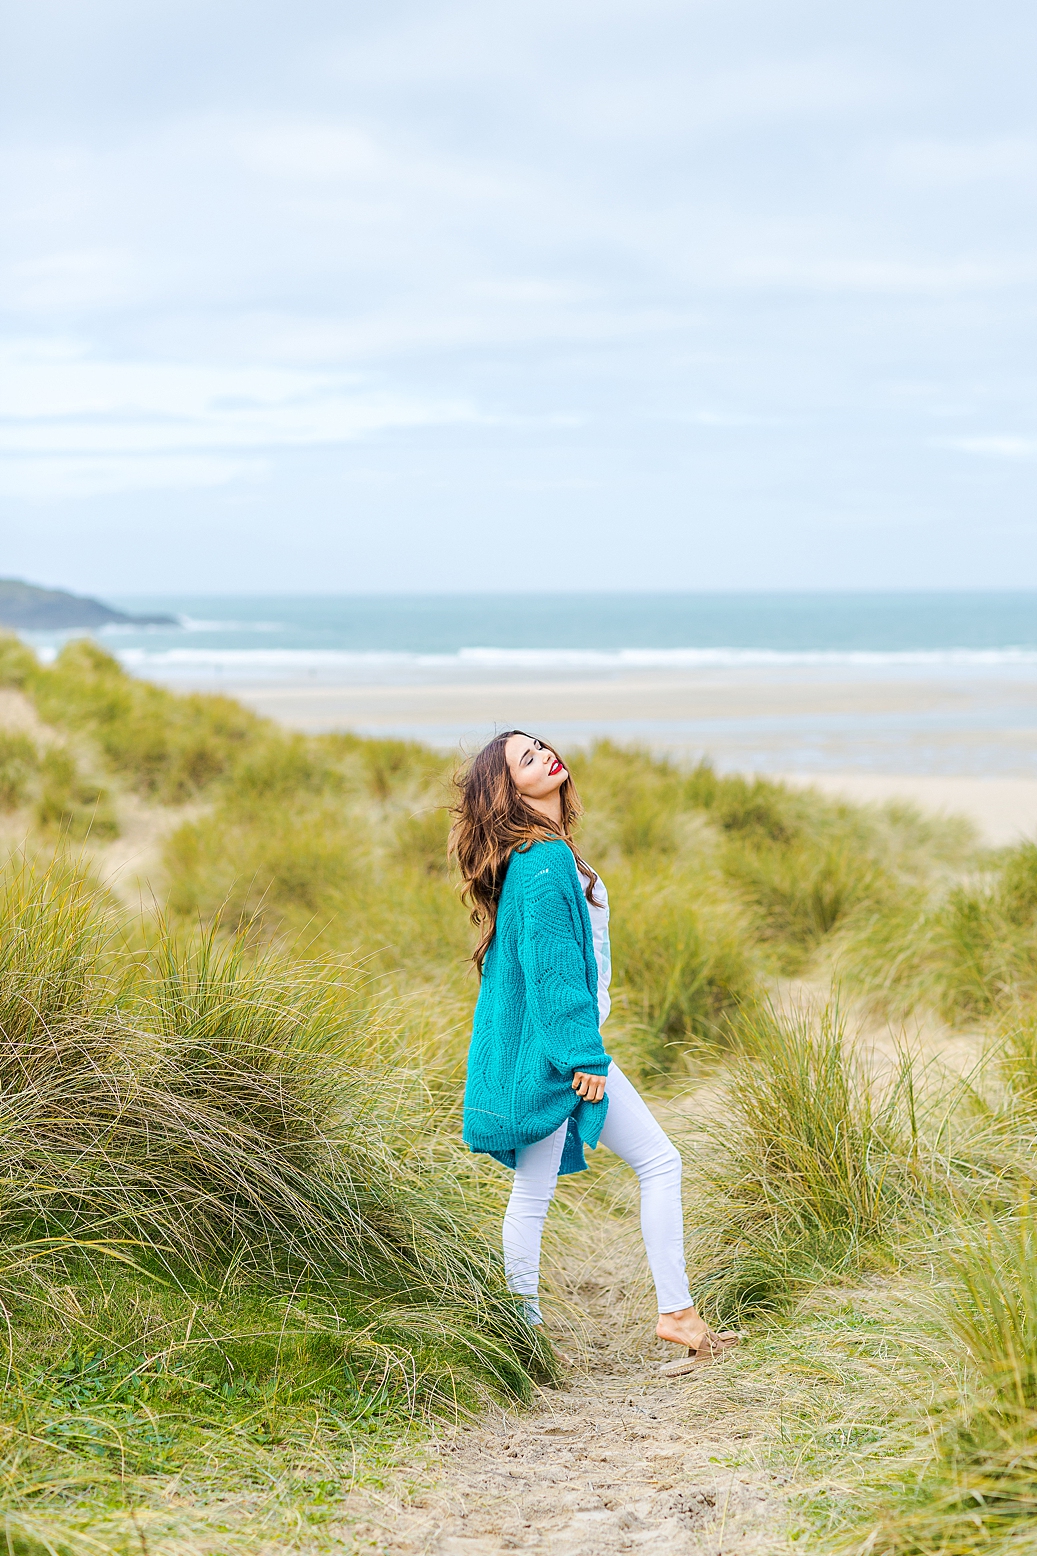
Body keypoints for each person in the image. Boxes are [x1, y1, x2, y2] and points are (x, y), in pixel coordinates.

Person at [451, 729, 739, 1373]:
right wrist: (583, 1058)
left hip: (552, 1052)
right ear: (510, 790)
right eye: (526, 759)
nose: (545, 756)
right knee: (652, 1165)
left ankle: (536, 1329)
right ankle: (666, 1316)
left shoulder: (544, 855)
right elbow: (554, 975)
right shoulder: (543, 862)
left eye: (540, 746)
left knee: (540, 1191)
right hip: (560, 1058)